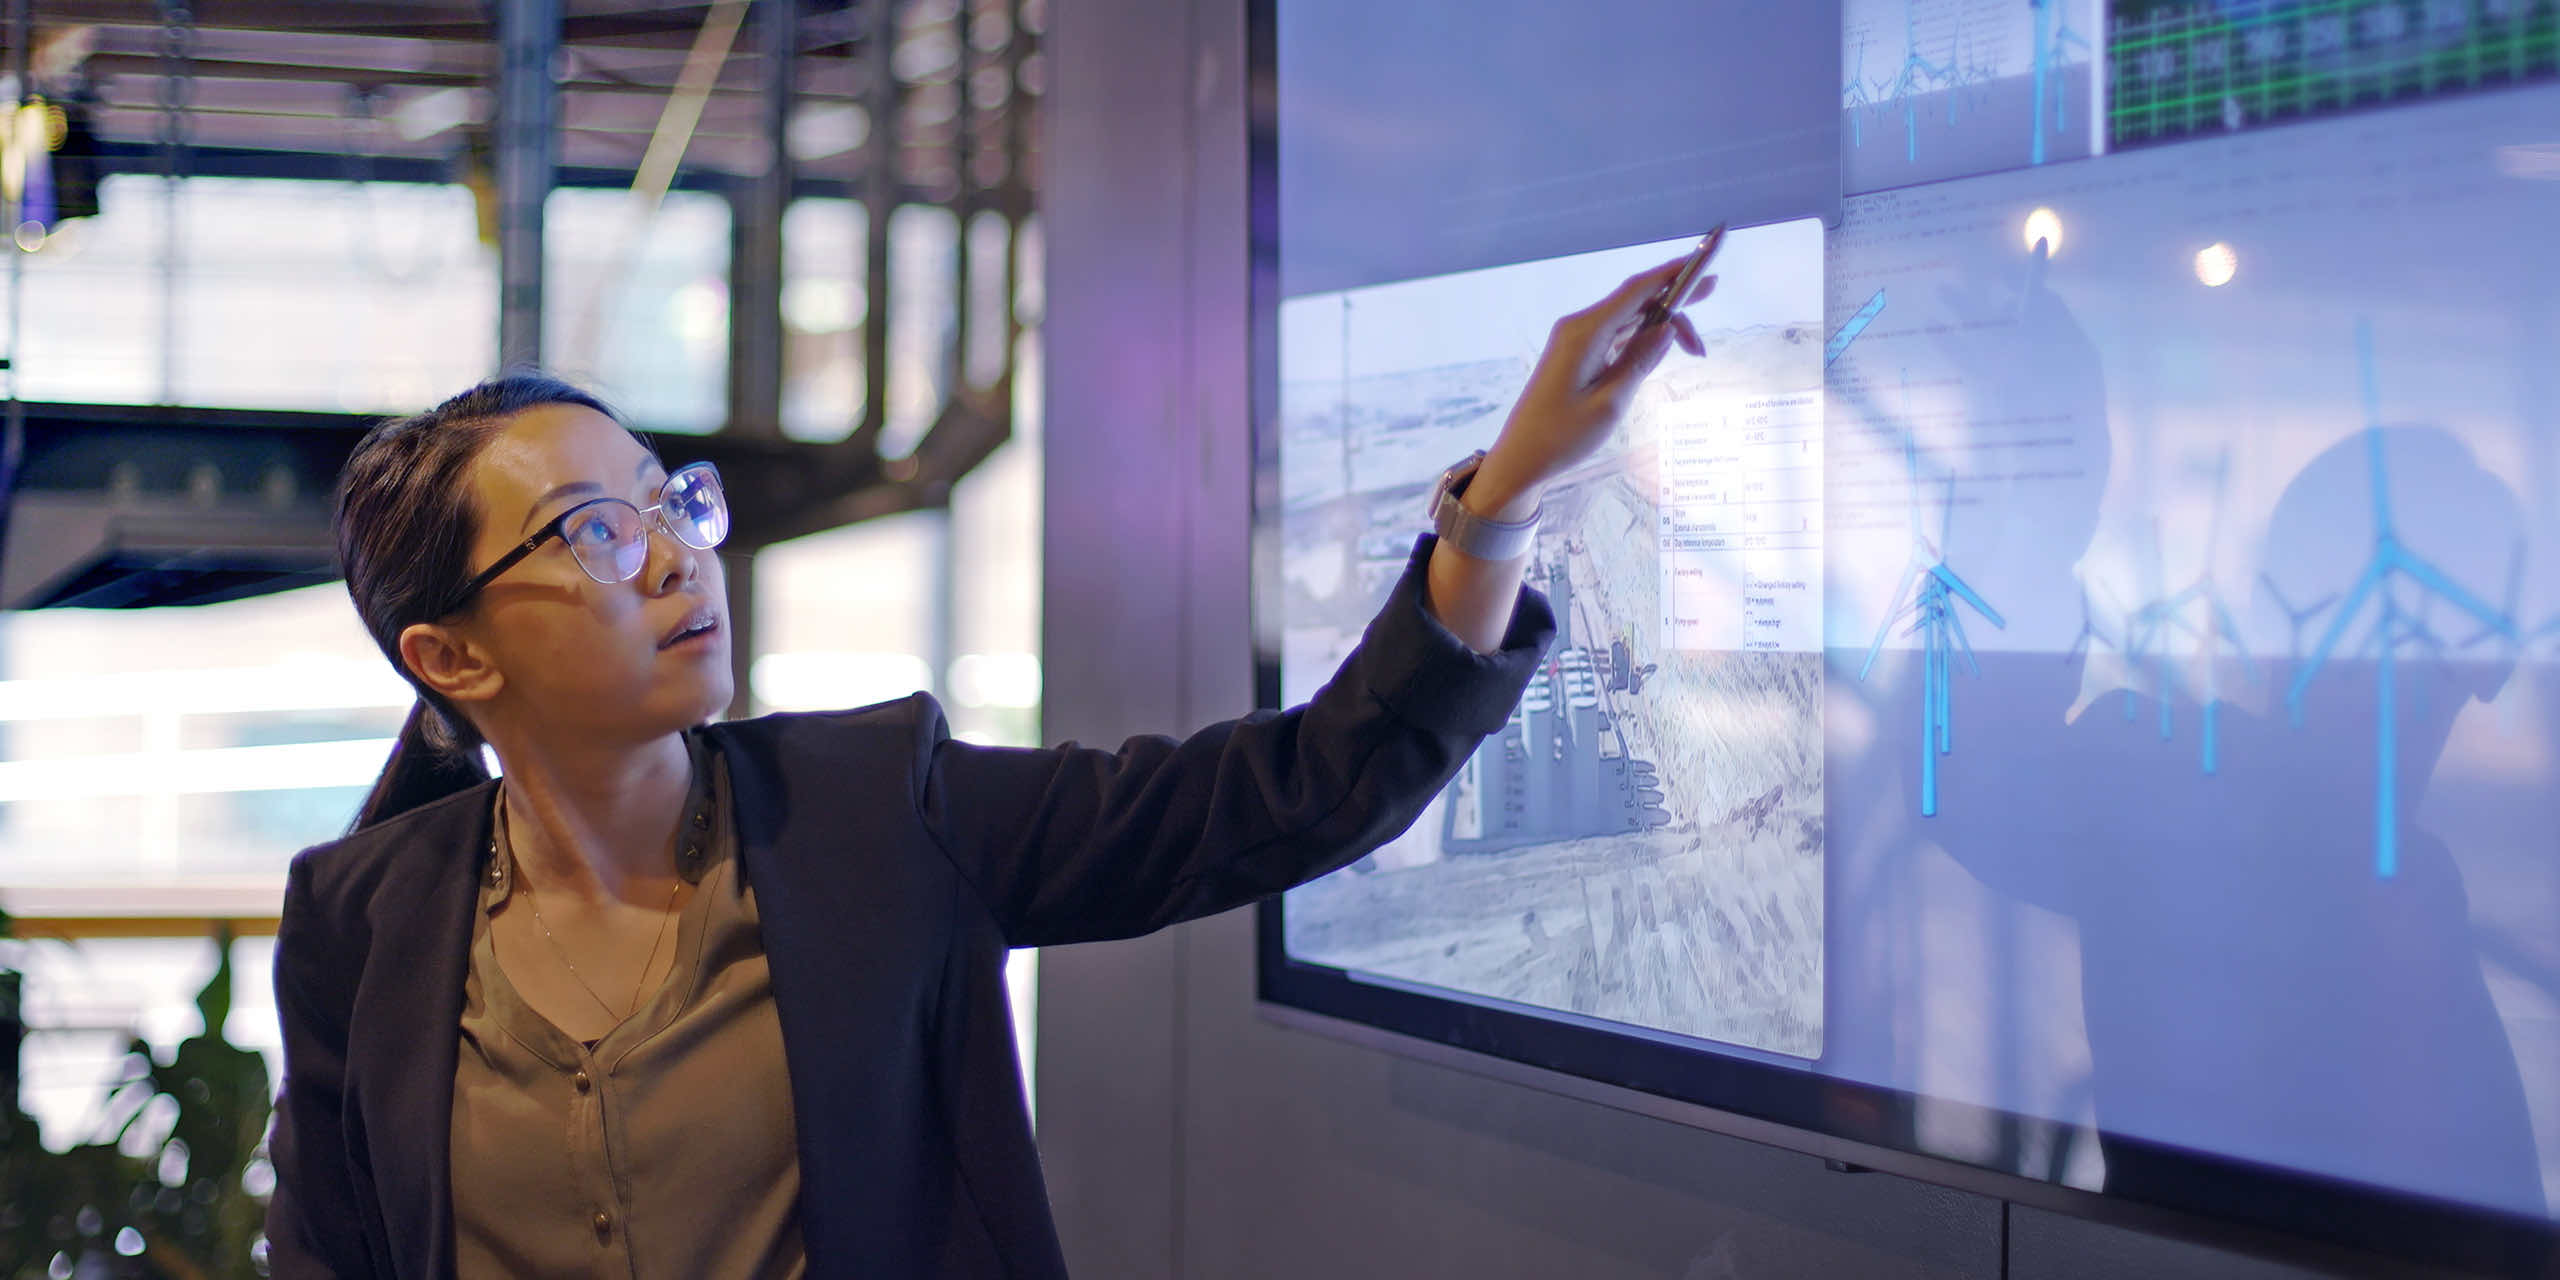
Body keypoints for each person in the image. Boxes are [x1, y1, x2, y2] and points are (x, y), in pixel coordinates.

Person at [263, 260, 1713, 1278]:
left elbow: (1295, 789)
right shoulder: (364, 916)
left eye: (670, 500)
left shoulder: (879, 812)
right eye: (592, 530)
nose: (671, 554)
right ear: (450, 658)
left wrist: (1501, 506)